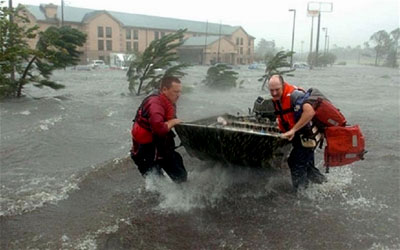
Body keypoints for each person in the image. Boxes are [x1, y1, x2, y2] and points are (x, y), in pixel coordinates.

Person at [268, 74, 326, 191]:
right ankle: (324, 186)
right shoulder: (278, 99)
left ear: (283, 86)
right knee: (307, 167)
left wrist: (293, 130)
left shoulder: (295, 95)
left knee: (295, 162)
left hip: (306, 137)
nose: (274, 93)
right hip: (299, 138)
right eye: (271, 90)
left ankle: (300, 194)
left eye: (277, 90)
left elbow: (310, 112)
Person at [130, 76, 187, 183]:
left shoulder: (168, 101)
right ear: (164, 89)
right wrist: (173, 122)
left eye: (180, 92)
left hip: (162, 146)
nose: (179, 95)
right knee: (157, 185)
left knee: (181, 176)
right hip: (145, 150)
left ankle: (183, 195)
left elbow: (169, 120)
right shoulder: (154, 103)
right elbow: (159, 128)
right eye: (175, 91)